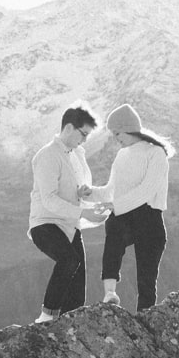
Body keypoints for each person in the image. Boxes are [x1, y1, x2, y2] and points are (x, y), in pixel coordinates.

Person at [87, 103, 173, 312]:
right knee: (113, 237)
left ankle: (145, 320)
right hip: (125, 215)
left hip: (149, 218)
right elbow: (111, 190)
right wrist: (90, 192)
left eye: (117, 133)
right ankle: (110, 293)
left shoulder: (156, 153)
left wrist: (116, 205)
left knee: (146, 278)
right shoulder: (122, 155)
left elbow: (147, 190)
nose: (116, 138)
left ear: (128, 128)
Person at [27, 105, 108, 324]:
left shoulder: (77, 155)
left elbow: (76, 190)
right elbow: (49, 199)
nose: (84, 140)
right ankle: (46, 316)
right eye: (83, 134)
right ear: (69, 128)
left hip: (71, 226)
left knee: (77, 284)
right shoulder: (47, 156)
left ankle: (70, 327)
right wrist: (84, 212)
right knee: (69, 260)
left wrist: (83, 196)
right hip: (45, 225)